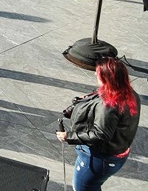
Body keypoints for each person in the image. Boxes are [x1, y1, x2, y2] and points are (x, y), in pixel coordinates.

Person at [56, 57, 140, 191]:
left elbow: (101, 134)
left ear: (107, 78)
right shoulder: (129, 93)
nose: (95, 74)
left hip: (99, 158)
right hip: (114, 153)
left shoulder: (110, 105)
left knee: (82, 187)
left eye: (98, 72)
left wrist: (69, 136)